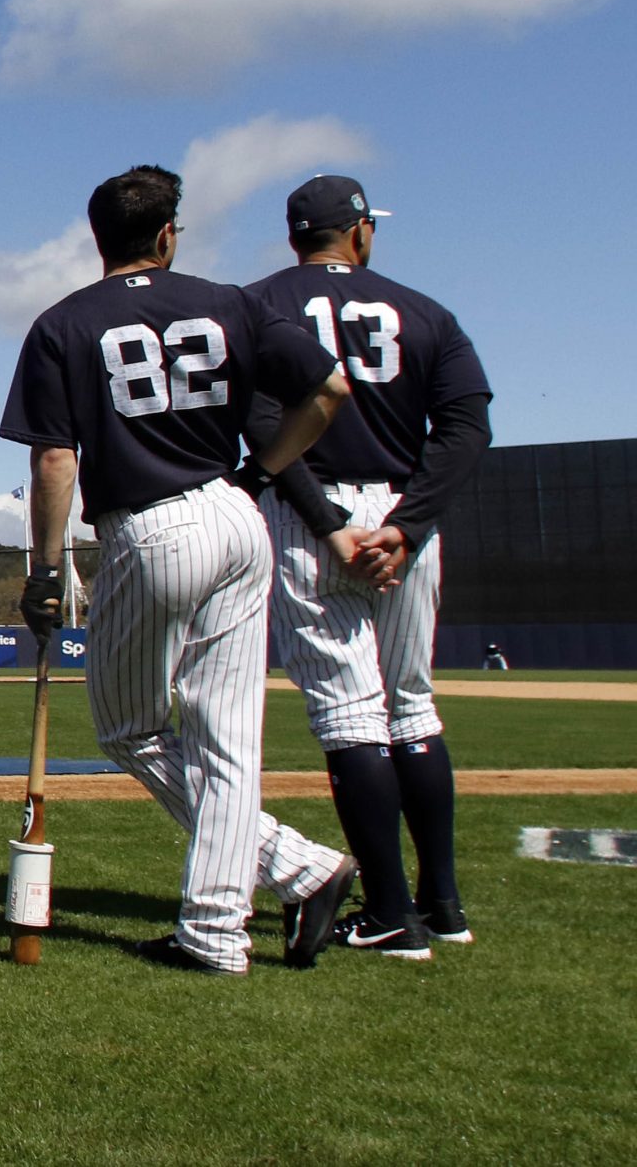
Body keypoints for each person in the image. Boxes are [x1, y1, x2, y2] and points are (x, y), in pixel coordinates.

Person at [0, 164, 357, 976]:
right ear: (168, 235)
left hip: (151, 527)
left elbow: (57, 459)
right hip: (236, 513)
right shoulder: (233, 303)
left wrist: (47, 571)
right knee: (228, 742)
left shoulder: (65, 322)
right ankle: (221, 927)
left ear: (99, 239)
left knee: (131, 729)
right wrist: (262, 475)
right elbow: (329, 388)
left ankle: (284, 877)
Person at [246, 175, 493, 957]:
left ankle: (391, 912)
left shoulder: (260, 306)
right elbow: (466, 424)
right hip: (400, 513)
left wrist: (327, 523)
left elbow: (260, 425)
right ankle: (441, 906)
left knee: (351, 716)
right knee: (412, 707)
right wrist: (411, 523)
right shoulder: (424, 310)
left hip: (311, 515)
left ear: (294, 238)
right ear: (359, 233)